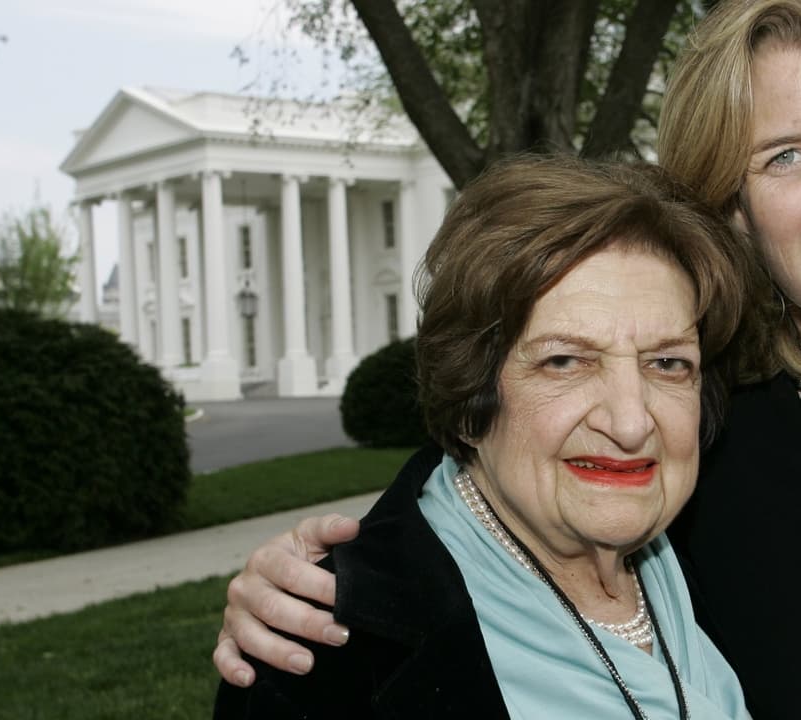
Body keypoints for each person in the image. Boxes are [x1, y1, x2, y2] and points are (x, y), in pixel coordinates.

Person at [214, 0, 801, 717]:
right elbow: (510, 461)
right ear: (733, 204)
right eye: (783, 157)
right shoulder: (707, 441)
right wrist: (332, 582)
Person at [213, 153, 754, 719]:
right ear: (472, 399)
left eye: (667, 363)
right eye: (565, 361)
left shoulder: (724, 552)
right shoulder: (325, 648)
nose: (630, 421)